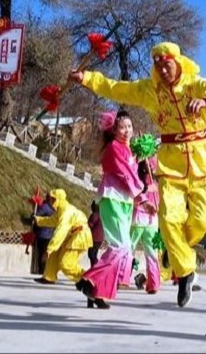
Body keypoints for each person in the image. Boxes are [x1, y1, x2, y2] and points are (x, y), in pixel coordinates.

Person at [68, 41, 206, 308]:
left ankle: (175, 249)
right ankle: (185, 271)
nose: (163, 71)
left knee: (201, 222)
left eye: (167, 65)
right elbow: (116, 88)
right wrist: (87, 78)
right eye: (159, 66)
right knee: (168, 219)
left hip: (202, 163)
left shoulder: (195, 84)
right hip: (171, 165)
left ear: (178, 62)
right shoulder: (149, 91)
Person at [76, 110, 143, 309]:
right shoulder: (114, 147)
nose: (127, 131)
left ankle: (98, 292)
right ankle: (89, 280)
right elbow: (125, 174)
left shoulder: (128, 149)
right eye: (122, 127)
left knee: (123, 249)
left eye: (129, 127)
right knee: (120, 247)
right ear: (114, 130)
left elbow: (132, 173)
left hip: (124, 201)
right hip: (113, 198)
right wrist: (142, 194)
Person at [32, 189, 93, 287]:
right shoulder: (61, 210)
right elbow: (52, 221)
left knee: (66, 263)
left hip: (79, 236)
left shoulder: (66, 212)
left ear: (58, 199)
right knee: (54, 254)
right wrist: (38, 220)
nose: (51, 201)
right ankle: (49, 276)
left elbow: (60, 231)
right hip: (73, 235)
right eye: (51, 199)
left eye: (53, 199)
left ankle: (88, 278)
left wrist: (49, 249)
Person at [130, 158, 161, 293]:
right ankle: (153, 283)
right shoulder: (156, 185)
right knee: (152, 253)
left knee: (129, 249)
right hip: (151, 222)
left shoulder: (139, 182)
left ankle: (121, 278)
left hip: (139, 219)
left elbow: (134, 196)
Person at [86, 200, 104, 308]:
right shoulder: (102, 215)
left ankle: (94, 266)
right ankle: (94, 264)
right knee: (94, 253)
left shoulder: (94, 215)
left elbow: (90, 225)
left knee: (91, 254)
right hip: (100, 238)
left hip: (93, 237)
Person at [32, 199, 55, 275]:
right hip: (47, 233)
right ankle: (43, 269)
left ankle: (42, 269)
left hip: (46, 233)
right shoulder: (50, 207)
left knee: (43, 252)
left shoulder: (47, 207)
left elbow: (37, 215)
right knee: (44, 252)